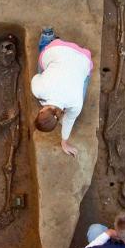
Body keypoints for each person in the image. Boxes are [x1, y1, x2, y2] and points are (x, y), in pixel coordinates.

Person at [30, 26, 92, 157]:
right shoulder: (38, 90)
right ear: (41, 111)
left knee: (82, 84)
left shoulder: (75, 104)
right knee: (42, 68)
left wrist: (65, 142)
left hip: (84, 58)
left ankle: (47, 38)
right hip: (58, 49)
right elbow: (36, 78)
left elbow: (69, 120)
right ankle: (47, 37)